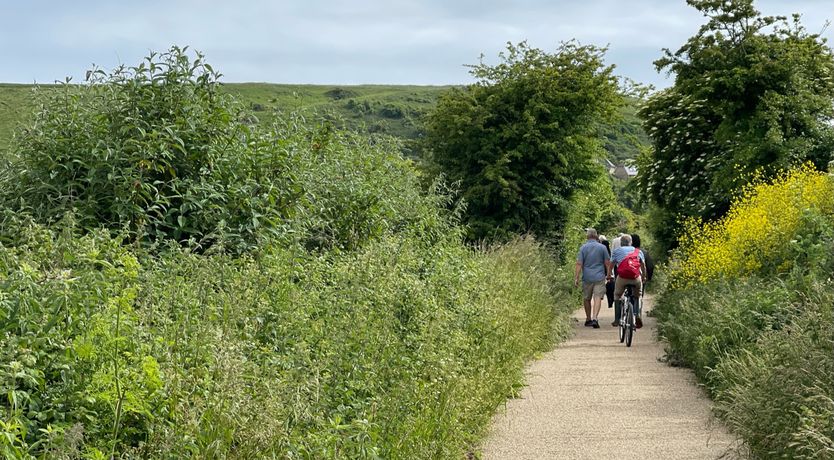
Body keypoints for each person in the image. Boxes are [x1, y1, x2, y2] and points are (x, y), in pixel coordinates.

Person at [607, 234, 647, 328]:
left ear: (621, 243)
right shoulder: (638, 251)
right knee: (638, 295)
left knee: (617, 295)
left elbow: (611, 265)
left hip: (622, 278)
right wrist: (644, 277)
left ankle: (617, 319)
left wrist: (609, 275)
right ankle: (637, 315)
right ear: (631, 242)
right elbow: (643, 266)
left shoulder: (617, 251)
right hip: (635, 278)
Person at [574, 228, 611, 328]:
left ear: (587, 236)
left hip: (587, 277)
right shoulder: (602, 247)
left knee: (587, 298)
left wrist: (576, 277)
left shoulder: (583, 248)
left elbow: (579, 263)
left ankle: (588, 319)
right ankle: (595, 318)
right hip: (599, 276)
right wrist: (608, 274)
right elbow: (607, 263)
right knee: (597, 297)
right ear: (596, 236)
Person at [599, 237, 615, 310]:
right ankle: (612, 299)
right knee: (610, 287)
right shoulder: (611, 253)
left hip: (603, 271)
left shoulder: (601, 252)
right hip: (609, 271)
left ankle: (604, 297)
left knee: (604, 286)